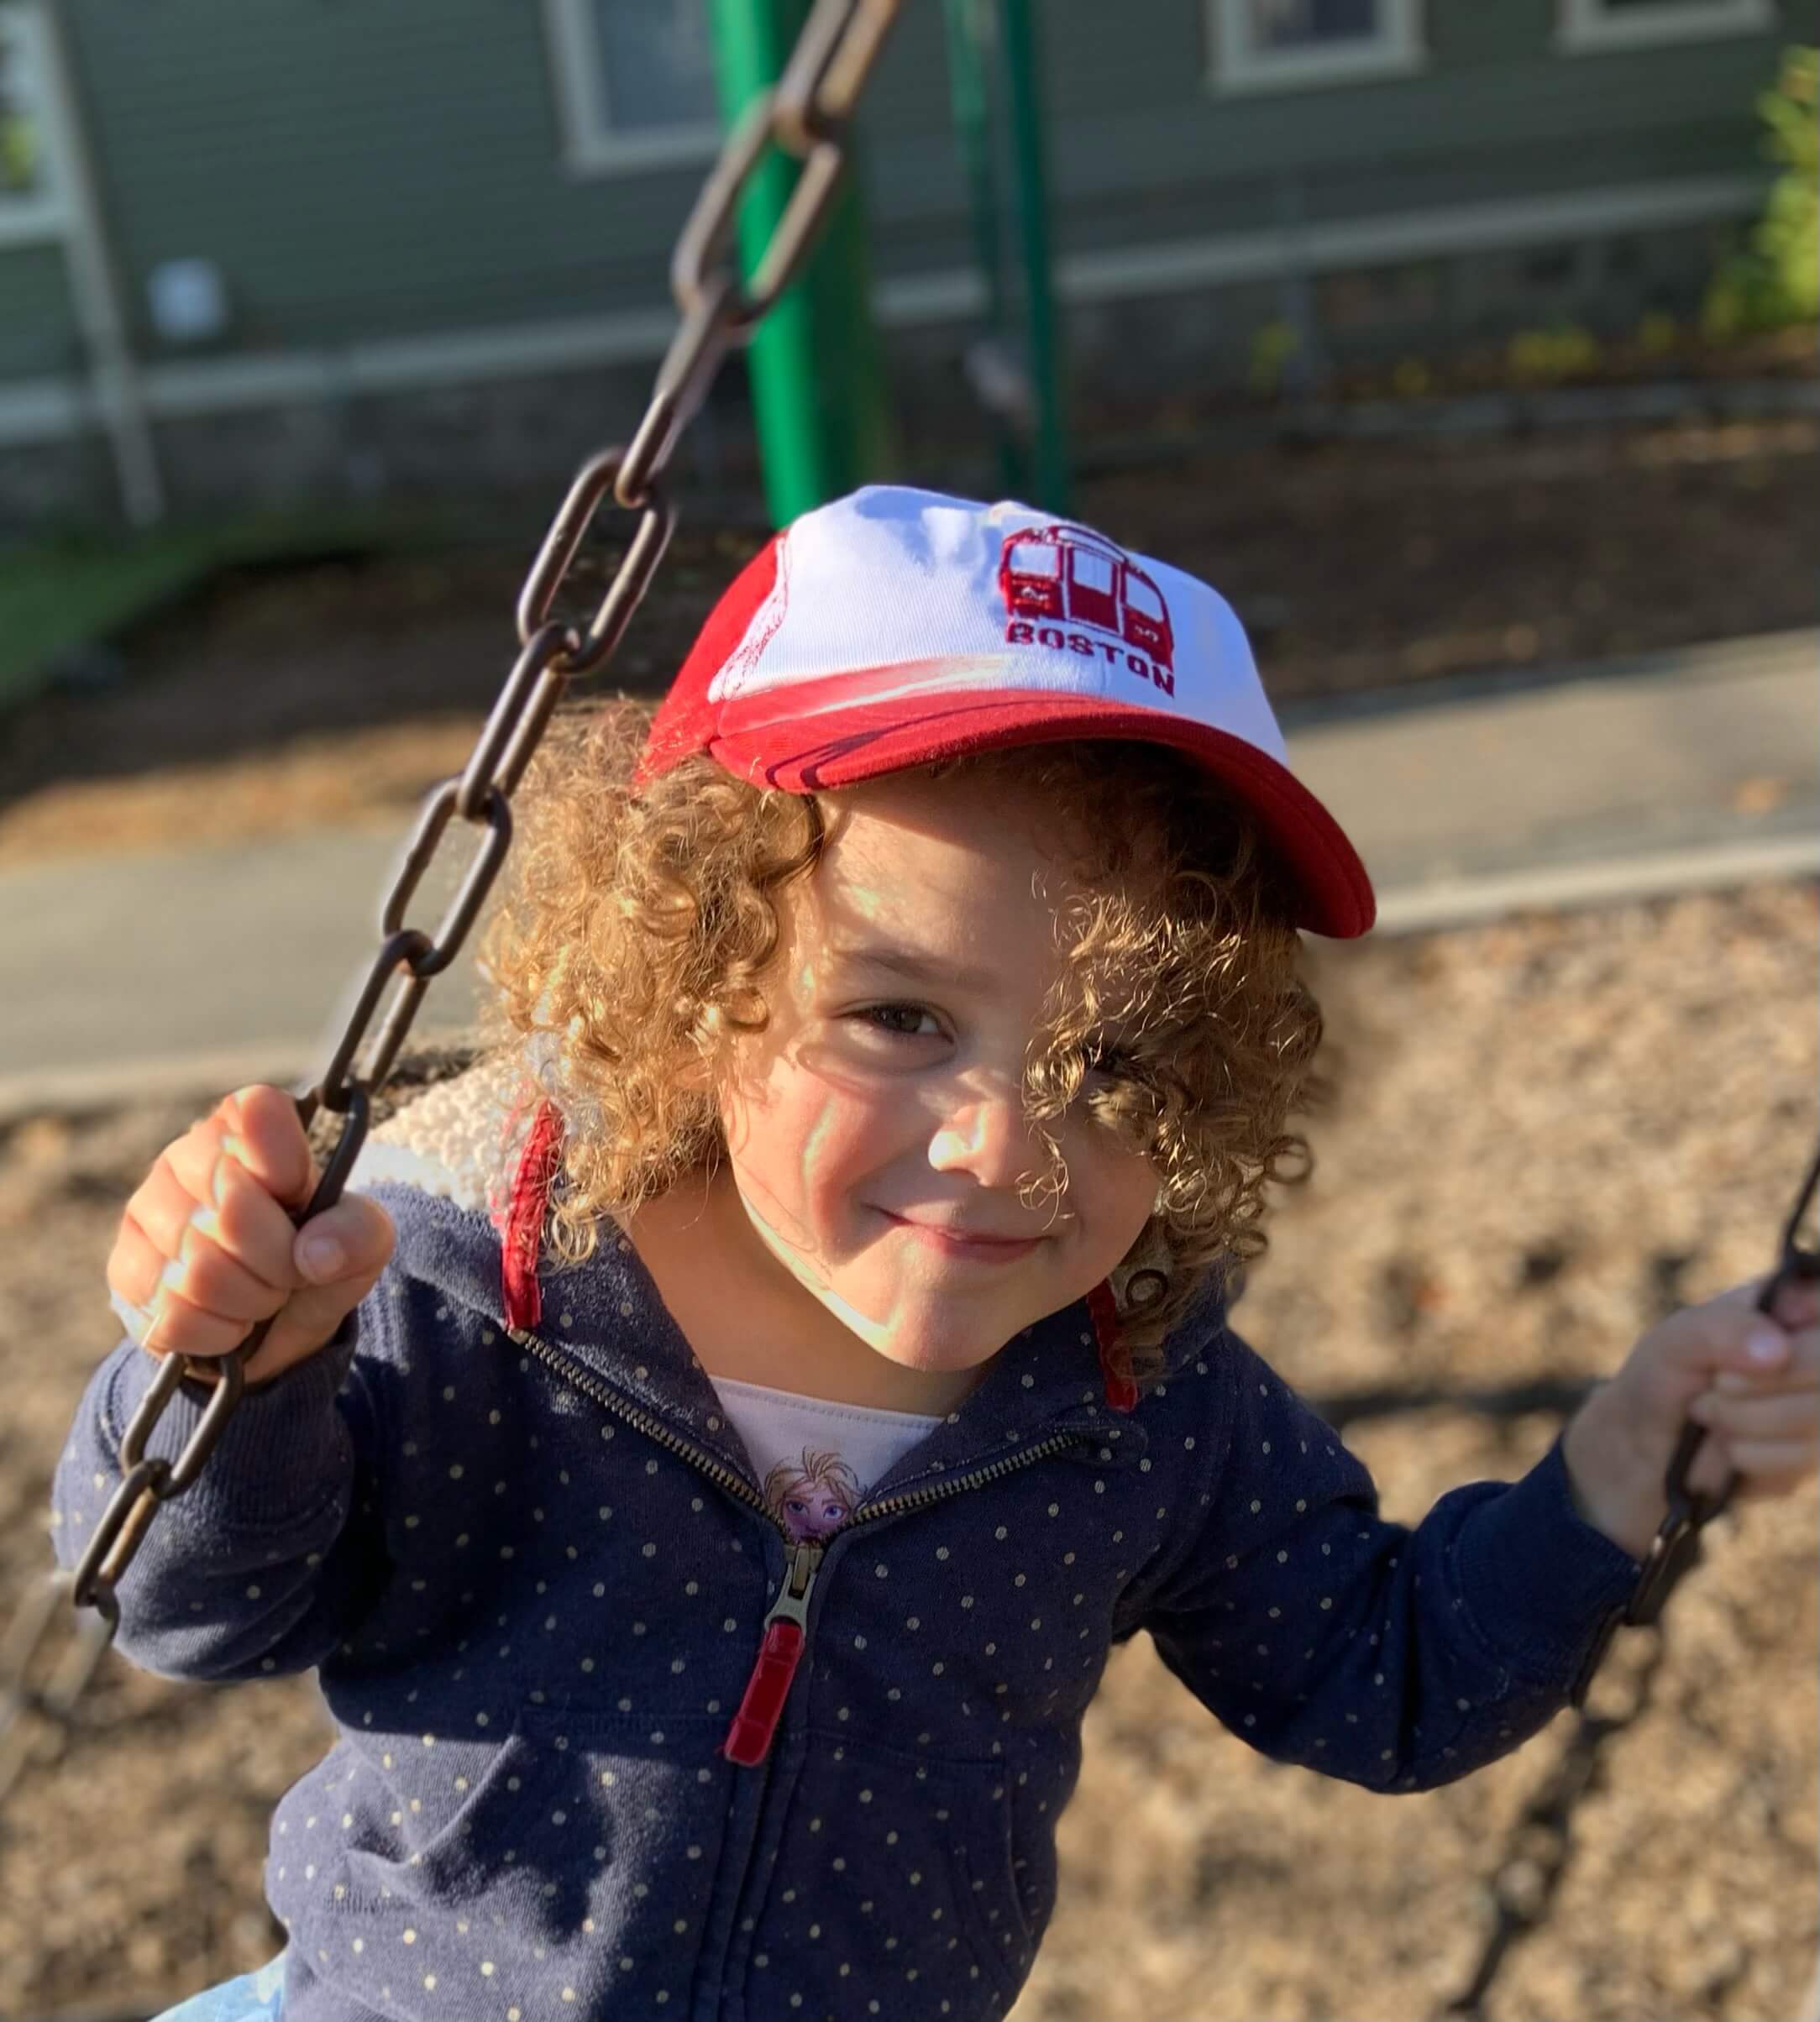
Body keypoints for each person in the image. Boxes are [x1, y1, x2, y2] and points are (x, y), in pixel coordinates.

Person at [57, 486, 1818, 2022]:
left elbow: (1386, 1677)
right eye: (898, 1015)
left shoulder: (1138, 1400)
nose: (1002, 1147)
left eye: (1115, 1063)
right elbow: (188, 1606)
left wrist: (1614, 1459)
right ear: (689, 977)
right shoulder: (477, 1290)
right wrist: (231, 1363)